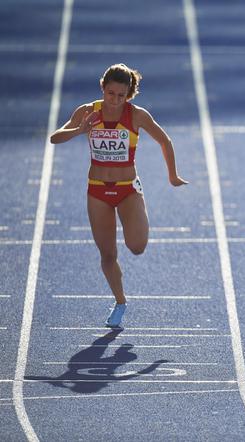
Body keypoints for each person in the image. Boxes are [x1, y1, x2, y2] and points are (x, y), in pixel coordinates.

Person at [50, 63, 187, 327]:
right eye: (111, 94)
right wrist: (79, 130)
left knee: (136, 247)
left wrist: (172, 176)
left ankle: (139, 215)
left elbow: (165, 141)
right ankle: (120, 302)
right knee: (108, 254)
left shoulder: (137, 116)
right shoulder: (88, 111)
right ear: (103, 88)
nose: (115, 100)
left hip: (126, 190)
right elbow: (55, 138)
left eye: (121, 96)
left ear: (129, 95)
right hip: (98, 190)